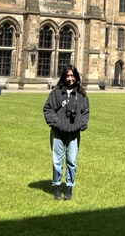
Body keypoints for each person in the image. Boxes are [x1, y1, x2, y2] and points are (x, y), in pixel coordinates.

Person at [43, 64, 90, 200]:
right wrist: (56, 122)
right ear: (64, 77)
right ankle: (57, 187)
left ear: (76, 77)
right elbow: (47, 109)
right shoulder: (56, 92)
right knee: (57, 161)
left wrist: (81, 124)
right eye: (68, 76)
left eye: (72, 75)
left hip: (74, 133)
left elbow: (85, 112)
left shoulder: (81, 94)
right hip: (58, 131)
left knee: (72, 161)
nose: (70, 78)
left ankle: (69, 188)